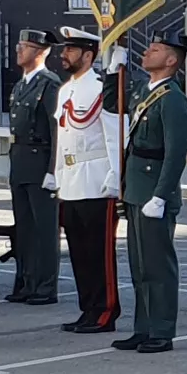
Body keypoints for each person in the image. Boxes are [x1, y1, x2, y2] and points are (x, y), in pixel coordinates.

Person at [115, 30, 187, 354]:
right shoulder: (142, 90)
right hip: (136, 189)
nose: (147, 52)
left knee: (158, 266)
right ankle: (143, 327)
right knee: (139, 265)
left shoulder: (173, 101)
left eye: (156, 49)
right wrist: (113, 71)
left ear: (172, 60)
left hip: (154, 193)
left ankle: (161, 330)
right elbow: (112, 102)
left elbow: (176, 154)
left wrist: (161, 195)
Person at [53, 26, 122, 334]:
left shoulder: (100, 87)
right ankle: (87, 309)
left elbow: (114, 134)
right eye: (65, 49)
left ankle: (105, 311)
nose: (63, 54)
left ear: (88, 55)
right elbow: (63, 138)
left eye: (70, 50)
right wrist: (56, 177)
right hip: (71, 181)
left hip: (96, 179)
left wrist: (115, 177)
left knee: (99, 253)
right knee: (79, 253)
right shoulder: (65, 89)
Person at [5, 29, 62, 306]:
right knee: (25, 227)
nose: (19, 51)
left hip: (41, 161)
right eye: (19, 45)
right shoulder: (20, 85)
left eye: (25, 47)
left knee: (44, 228)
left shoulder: (49, 84)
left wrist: (54, 170)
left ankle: (45, 285)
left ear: (41, 52)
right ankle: (26, 281)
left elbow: (56, 129)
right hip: (21, 160)